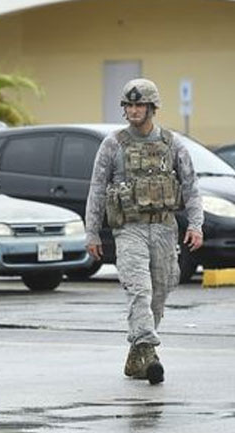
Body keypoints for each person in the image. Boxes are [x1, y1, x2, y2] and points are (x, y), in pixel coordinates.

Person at [85, 78, 203, 385]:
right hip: (129, 229)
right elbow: (97, 190)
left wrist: (196, 224)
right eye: (129, 105)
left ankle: (136, 356)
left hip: (164, 227)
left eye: (140, 105)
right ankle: (149, 353)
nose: (134, 110)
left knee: (160, 291)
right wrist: (92, 233)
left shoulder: (172, 143)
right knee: (139, 289)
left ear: (152, 108)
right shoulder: (112, 144)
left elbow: (190, 186)